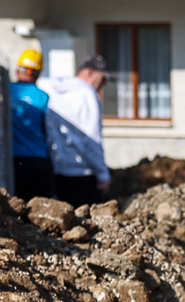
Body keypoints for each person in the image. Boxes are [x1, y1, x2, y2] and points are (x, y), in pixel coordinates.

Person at [46, 53, 111, 205]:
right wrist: (103, 174)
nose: (104, 84)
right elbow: (91, 140)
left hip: (57, 170)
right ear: (90, 73)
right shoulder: (87, 95)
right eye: (103, 78)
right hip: (83, 174)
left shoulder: (54, 91)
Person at [9, 47, 54, 200]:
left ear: (18, 69)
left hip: (12, 158)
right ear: (38, 73)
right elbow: (50, 130)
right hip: (38, 159)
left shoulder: (4, 91)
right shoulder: (43, 97)